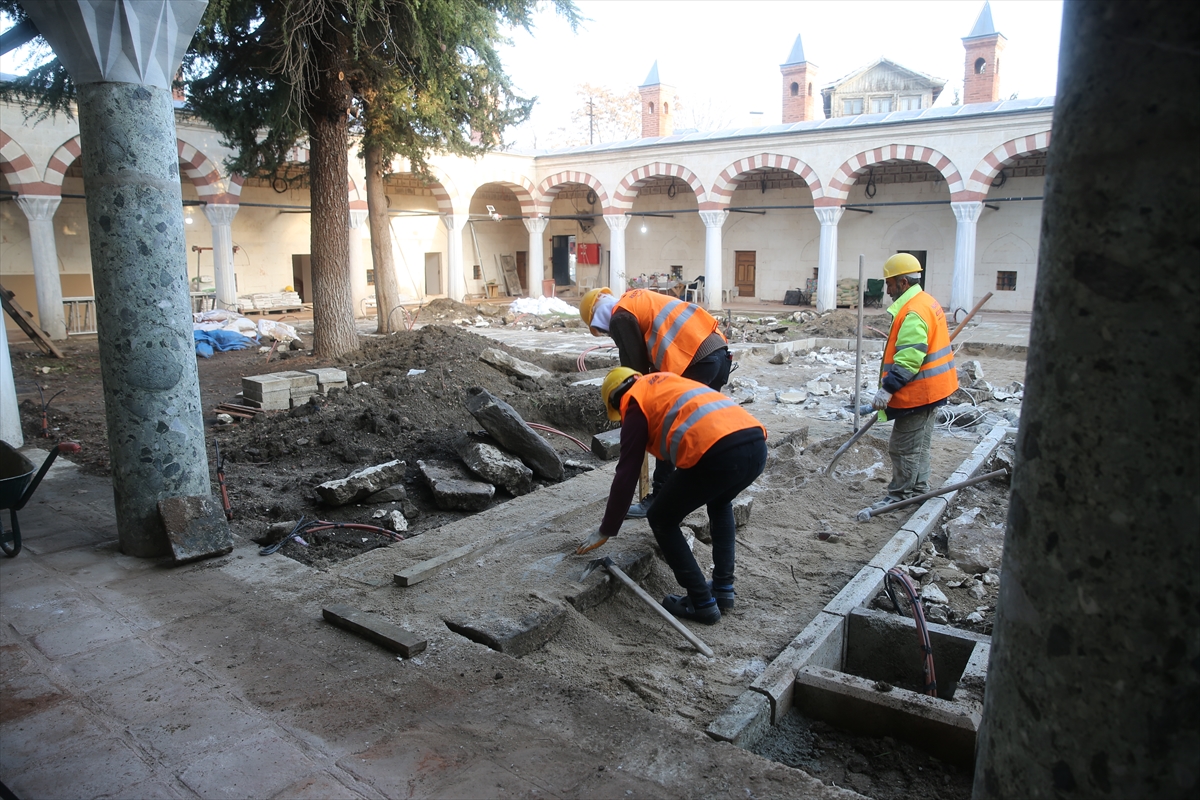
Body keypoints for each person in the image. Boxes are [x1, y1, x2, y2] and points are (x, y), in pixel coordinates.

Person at [576, 368, 767, 625]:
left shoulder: (634, 402)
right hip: (755, 444)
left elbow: (627, 471)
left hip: (719, 453)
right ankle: (723, 589)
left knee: (661, 518)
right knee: (720, 501)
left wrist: (607, 528)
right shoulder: (665, 383)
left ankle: (701, 601)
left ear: (615, 400)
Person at [579, 287, 732, 517]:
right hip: (717, 353)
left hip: (696, 360)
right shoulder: (637, 299)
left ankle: (660, 497)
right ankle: (708, 487)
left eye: (602, 331)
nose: (608, 334)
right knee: (701, 427)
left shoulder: (620, 316)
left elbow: (635, 372)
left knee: (666, 424)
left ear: (598, 319)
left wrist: (636, 411)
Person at [869, 253, 958, 509]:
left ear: (904, 282)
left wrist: (887, 390)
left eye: (890, 283)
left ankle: (899, 496)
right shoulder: (926, 302)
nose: (887, 290)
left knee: (903, 448)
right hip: (934, 389)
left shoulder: (913, 312)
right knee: (919, 446)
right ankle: (919, 490)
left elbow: (909, 360)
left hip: (920, 392)